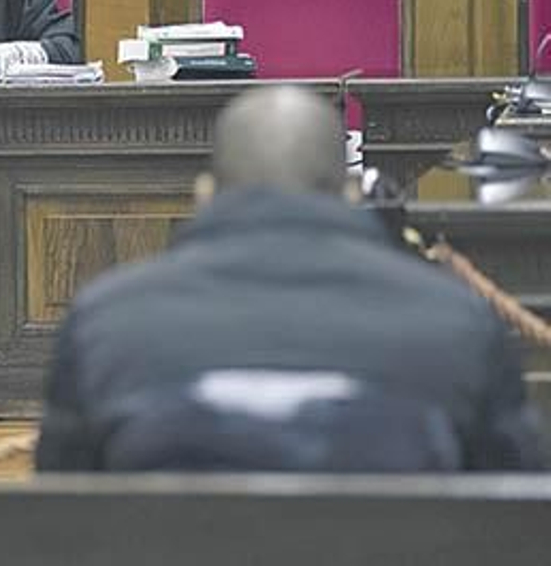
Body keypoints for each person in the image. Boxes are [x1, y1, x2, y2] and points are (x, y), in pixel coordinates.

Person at [35, 85, 546, 473]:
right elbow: (515, 522)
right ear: (353, 193)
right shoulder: (457, 325)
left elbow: (61, 521)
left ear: (205, 195)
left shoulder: (107, 323)